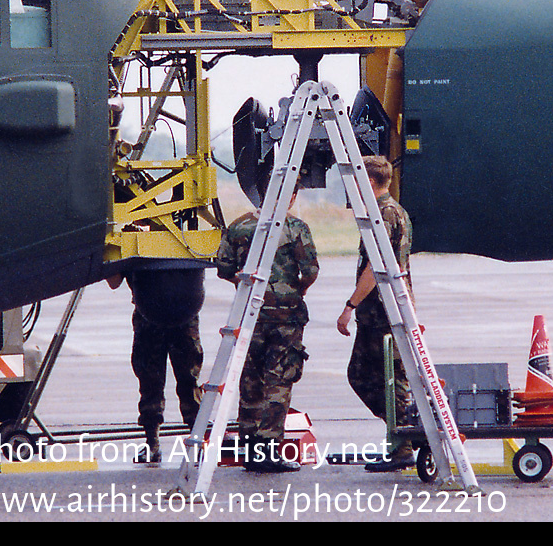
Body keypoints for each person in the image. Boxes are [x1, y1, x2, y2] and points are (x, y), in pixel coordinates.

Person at [216, 189, 318, 473]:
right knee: (279, 381)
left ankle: (250, 448)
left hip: (250, 315)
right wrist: (294, 290)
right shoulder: (295, 228)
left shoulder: (239, 226)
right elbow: (310, 270)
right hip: (285, 317)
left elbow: (224, 268)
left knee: (250, 379)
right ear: (291, 196)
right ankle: (269, 449)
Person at [336, 155, 415, 472]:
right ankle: (405, 437)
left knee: (387, 380)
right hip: (381, 314)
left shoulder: (385, 214)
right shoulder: (390, 212)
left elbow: (376, 267)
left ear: (369, 183)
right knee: (367, 376)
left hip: (384, 314)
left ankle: (404, 443)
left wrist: (349, 306)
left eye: (356, 181)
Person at [107, 270, 203, 463]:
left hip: (182, 313)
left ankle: (197, 439)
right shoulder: (134, 238)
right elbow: (114, 280)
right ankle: (152, 442)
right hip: (149, 313)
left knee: (188, 380)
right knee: (150, 381)